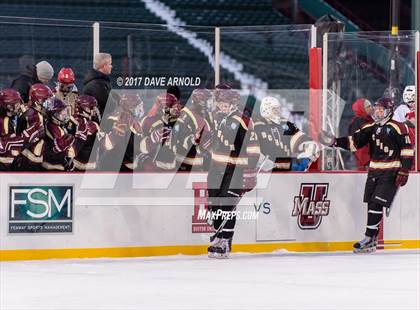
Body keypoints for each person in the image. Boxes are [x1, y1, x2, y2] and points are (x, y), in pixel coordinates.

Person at [319, 97, 414, 253]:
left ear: (389, 111)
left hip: (390, 172)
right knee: (371, 204)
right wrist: (335, 142)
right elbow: (354, 142)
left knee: (377, 203)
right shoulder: (371, 126)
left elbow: (407, 149)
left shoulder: (398, 127)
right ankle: (372, 240)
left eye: (381, 109)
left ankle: (369, 237)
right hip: (374, 171)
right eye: (376, 109)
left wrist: (404, 170)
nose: (377, 112)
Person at [206, 86, 260, 258]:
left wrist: (246, 171)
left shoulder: (243, 122)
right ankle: (218, 237)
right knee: (214, 206)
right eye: (219, 102)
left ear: (233, 103)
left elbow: (253, 153)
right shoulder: (217, 118)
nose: (220, 105)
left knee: (227, 207)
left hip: (233, 172)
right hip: (215, 170)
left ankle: (225, 241)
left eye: (224, 102)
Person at [254, 96, 318, 172]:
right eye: (275, 109)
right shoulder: (258, 126)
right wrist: (265, 165)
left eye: (278, 109)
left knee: (302, 162)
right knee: (295, 165)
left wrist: (308, 145)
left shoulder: (284, 123)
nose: (278, 112)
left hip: (282, 165)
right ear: (266, 109)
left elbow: (299, 137)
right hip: (264, 167)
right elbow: (254, 151)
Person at [11, 84, 53, 171]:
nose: (49, 102)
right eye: (46, 99)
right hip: (30, 159)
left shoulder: (28, 110)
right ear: (38, 100)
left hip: (23, 155)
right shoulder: (36, 116)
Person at [0, 89, 42, 170]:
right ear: (7, 106)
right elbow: (9, 145)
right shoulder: (4, 121)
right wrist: (27, 137)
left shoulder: (11, 117)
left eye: (19, 102)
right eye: (16, 104)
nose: (19, 106)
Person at [138, 93, 182, 171]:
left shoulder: (177, 122)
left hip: (172, 168)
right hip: (154, 168)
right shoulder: (149, 121)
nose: (176, 109)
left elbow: (176, 147)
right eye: (173, 107)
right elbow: (138, 148)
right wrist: (152, 139)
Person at [172, 88, 212, 171]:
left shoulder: (204, 114)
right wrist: (197, 142)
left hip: (199, 161)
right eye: (208, 100)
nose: (211, 103)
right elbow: (182, 139)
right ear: (201, 102)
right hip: (187, 163)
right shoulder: (186, 115)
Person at [42, 98, 75, 171]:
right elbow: (59, 148)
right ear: (53, 113)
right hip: (53, 165)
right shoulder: (52, 127)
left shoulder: (57, 125)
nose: (65, 113)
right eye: (61, 111)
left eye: (64, 110)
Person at [69, 95, 101, 171]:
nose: (94, 110)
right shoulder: (79, 122)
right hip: (81, 163)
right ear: (83, 108)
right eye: (91, 107)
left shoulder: (90, 121)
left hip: (87, 161)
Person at [83, 53, 112, 117]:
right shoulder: (96, 85)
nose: (111, 66)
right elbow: (110, 105)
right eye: (110, 64)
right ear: (104, 66)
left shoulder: (102, 81)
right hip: (101, 123)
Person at [348, 98, 373, 171]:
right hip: (364, 162)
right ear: (361, 108)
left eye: (371, 106)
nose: (371, 108)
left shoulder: (369, 119)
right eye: (368, 107)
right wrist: (366, 162)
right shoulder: (356, 123)